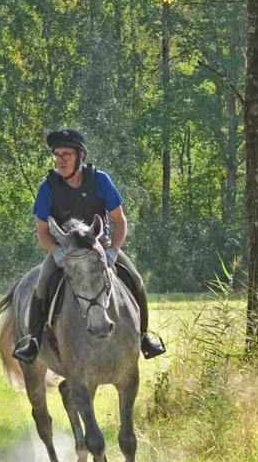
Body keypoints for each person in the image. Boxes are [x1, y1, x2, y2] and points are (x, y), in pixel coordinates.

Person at [12, 128, 167, 362]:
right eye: (57, 155)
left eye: (66, 155)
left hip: (99, 244)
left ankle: (144, 336)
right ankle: (34, 340)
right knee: (42, 284)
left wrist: (113, 250)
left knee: (135, 279)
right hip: (65, 250)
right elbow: (43, 232)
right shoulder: (47, 187)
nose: (60, 160)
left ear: (80, 156)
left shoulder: (100, 180)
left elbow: (119, 220)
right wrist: (57, 253)